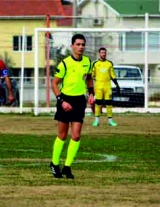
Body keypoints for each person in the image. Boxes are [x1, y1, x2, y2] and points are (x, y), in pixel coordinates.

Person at [49, 33, 94, 179]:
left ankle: (67, 167)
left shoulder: (88, 62)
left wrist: (91, 93)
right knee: (62, 135)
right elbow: (54, 83)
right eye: (78, 44)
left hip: (79, 101)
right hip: (65, 100)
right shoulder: (64, 63)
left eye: (83, 44)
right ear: (72, 46)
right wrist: (62, 101)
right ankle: (54, 164)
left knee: (76, 135)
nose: (81, 47)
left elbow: (89, 79)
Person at [91, 47, 121, 126]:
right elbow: (92, 75)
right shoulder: (95, 63)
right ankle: (96, 121)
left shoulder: (109, 63)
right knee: (98, 103)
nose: (103, 54)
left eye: (104, 53)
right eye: (102, 53)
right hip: (99, 87)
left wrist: (117, 85)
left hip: (107, 87)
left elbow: (112, 75)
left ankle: (110, 121)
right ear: (99, 53)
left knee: (109, 104)